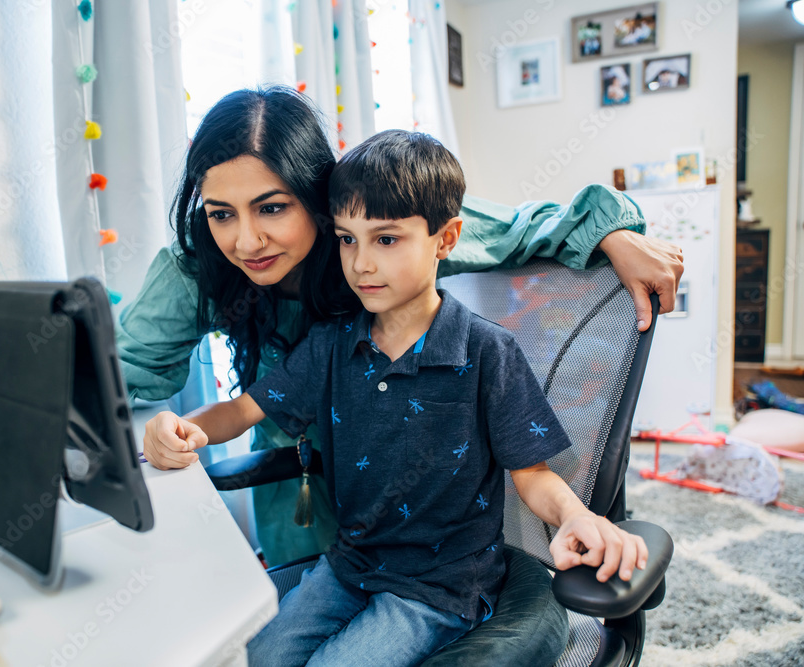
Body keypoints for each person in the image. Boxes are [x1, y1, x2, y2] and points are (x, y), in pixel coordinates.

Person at [117, 86, 681, 664]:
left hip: (439, 575)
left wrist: (613, 233)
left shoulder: (463, 319)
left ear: (318, 198)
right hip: (344, 532)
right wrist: (179, 428)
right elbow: (205, 398)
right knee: (259, 651)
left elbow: (525, 229)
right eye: (220, 214)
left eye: (272, 207)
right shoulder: (317, 336)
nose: (245, 240)